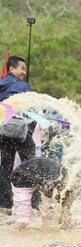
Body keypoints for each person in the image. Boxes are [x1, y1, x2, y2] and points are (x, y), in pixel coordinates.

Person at [0, 55, 35, 209]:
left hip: (4, 132)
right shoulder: (24, 87)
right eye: (22, 68)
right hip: (21, 133)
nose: (24, 72)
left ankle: (4, 206)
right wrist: (29, 132)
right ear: (12, 68)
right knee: (31, 166)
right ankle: (34, 205)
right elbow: (31, 111)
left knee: (5, 168)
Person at [10, 157, 72, 229]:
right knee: (23, 220)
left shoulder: (65, 178)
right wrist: (45, 224)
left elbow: (64, 201)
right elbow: (45, 202)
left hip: (34, 172)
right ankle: (17, 227)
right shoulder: (53, 179)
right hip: (20, 176)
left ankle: (62, 219)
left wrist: (65, 216)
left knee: (63, 198)